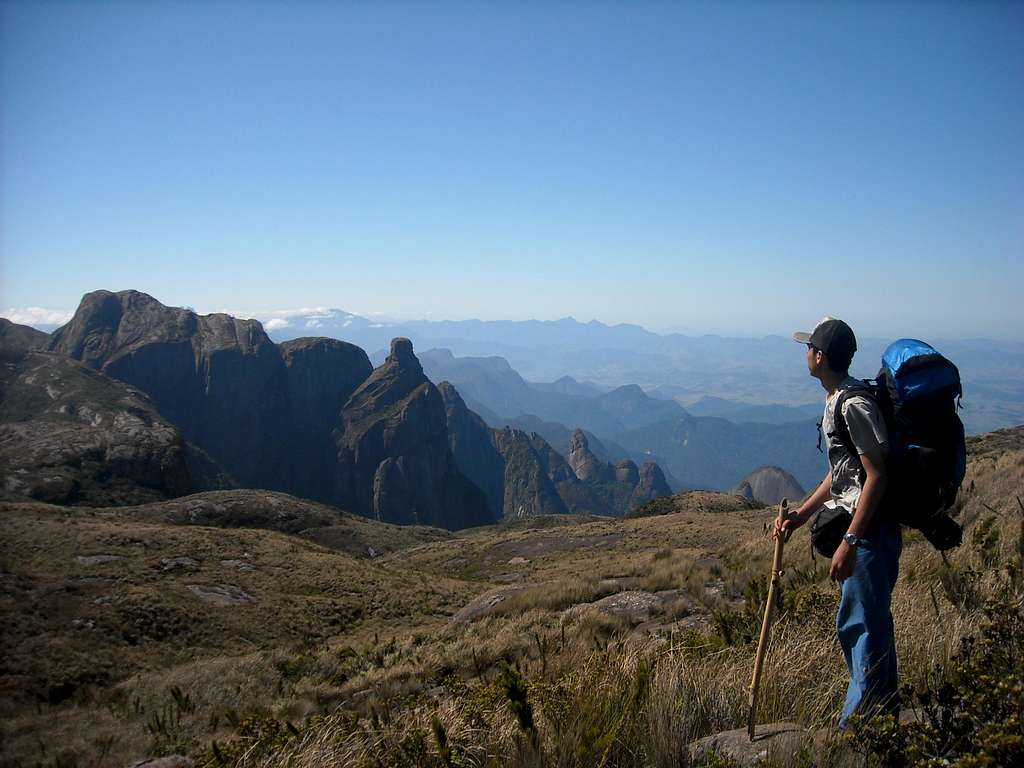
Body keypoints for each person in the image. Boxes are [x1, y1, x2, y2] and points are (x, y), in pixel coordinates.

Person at [774, 317, 901, 729]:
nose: (805, 353)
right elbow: (844, 473)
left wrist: (849, 540)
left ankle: (860, 734)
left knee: (861, 628)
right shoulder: (835, 400)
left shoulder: (853, 405)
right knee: (868, 626)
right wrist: (801, 515)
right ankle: (883, 722)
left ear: (820, 356)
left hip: (869, 535)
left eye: (809, 347)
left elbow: (876, 475)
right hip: (865, 532)